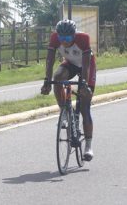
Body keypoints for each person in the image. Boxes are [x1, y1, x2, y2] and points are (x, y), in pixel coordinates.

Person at [40, 19, 96, 161]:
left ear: (74, 34)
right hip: (70, 63)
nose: (64, 41)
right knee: (57, 77)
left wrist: (84, 84)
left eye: (68, 38)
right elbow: (50, 60)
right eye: (61, 38)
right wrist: (47, 80)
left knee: (85, 107)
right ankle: (64, 110)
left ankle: (88, 146)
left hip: (86, 65)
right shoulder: (54, 38)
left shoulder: (83, 39)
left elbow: (85, 65)